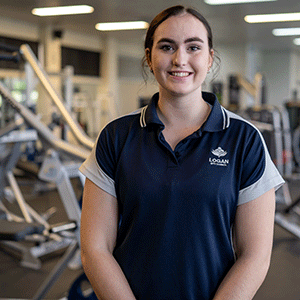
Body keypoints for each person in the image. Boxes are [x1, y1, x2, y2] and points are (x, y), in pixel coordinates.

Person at [79, 5, 284, 300]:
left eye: (193, 47)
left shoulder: (245, 140)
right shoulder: (116, 136)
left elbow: (255, 256)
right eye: (166, 47)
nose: (180, 59)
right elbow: (95, 250)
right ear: (149, 57)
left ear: (210, 58)